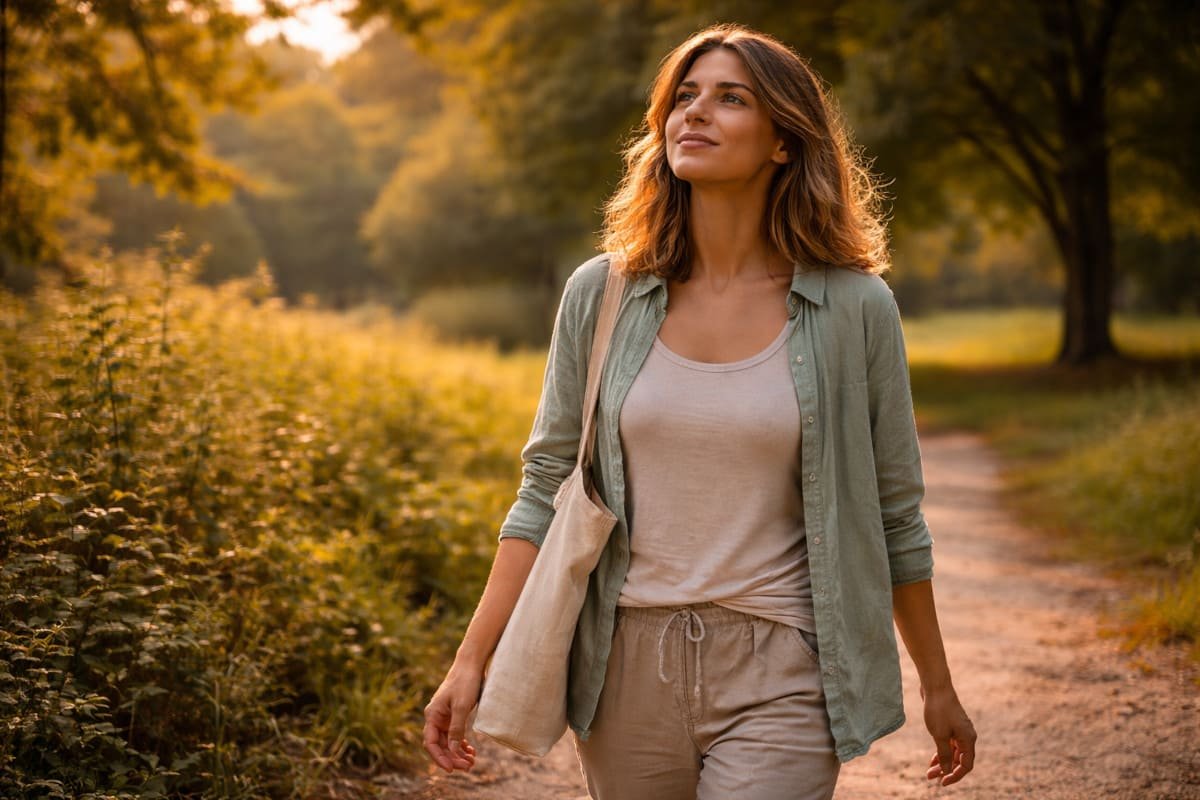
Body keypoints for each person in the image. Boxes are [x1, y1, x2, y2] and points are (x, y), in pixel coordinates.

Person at [423, 22, 976, 800]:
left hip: (784, 664)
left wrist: (938, 685)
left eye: (729, 98)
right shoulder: (603, 294)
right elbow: (548, 487)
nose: (695, 114)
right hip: (622, 668)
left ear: (784, 140)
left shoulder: (856, 307)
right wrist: (470, 661)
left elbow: (895, 514)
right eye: (683, 98)